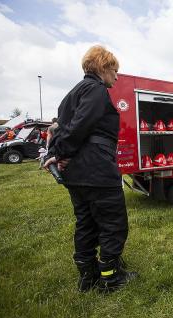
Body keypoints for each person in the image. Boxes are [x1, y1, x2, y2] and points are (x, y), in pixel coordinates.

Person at [44, 45, 137, 293]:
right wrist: (60, 153)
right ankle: (111, 277)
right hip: (97, 170)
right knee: (112, 224)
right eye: (114, 71)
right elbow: (79, 127)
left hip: (75, 173)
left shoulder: (71, 93)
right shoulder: (96, 91)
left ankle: (88, 277)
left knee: (85, 223)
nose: (116, 77)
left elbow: (60, 128)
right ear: (103, 68)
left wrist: (56, 153)